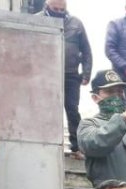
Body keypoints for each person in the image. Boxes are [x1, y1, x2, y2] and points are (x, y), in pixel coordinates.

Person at [38, 0, 92, 159]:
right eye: (55, 9)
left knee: (72, 111)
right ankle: (46, 144)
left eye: (62, 9)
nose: (59, 12)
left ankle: (77, 147)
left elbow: (87, 51)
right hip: (45, 75)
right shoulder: (36, 19)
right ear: (47, 5)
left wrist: (86, 73)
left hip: (71, 75)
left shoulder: (76, 24)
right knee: (47, 110)